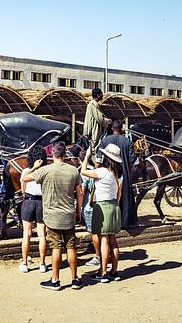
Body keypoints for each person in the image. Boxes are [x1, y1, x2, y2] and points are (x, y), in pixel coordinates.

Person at [24, 141, 84, 291]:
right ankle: (75, 279)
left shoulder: (46, 170)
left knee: (56, 247)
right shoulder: (73, 171)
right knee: (71, 247)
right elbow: (80, 193)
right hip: (69, 214)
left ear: (52, 154)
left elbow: (25, 178)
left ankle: (55, 279)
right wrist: (78, 211)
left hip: (52, 215)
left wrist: (35, 167)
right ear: (65, 154)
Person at [80, 143, 123, 282]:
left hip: (102, 206)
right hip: (114, 206)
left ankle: (103, 272)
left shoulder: (101, 172)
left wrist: (86, 157)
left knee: (104, 239)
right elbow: (119, 195)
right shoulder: (118, 174)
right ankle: (114, 271)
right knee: (113, 240)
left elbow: (83, 171)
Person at [101, 119, 137, 228]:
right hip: (124, 174)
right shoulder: (127, 142)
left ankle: (110, 221)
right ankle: (124, 222)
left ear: (112, 128)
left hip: (108, 174)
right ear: (121, 129)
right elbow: (132, 160)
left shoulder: (105, 141)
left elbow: (99, 159)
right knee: (125, 198)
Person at [18, 146, 48, 273]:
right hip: (41, 202)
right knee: (42, 235)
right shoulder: (46, 171)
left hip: (28, 202)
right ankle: (42, 263)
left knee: (27, 234)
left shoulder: (26, 171)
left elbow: (23, 190)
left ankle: (25, 263)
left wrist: (33, 167)